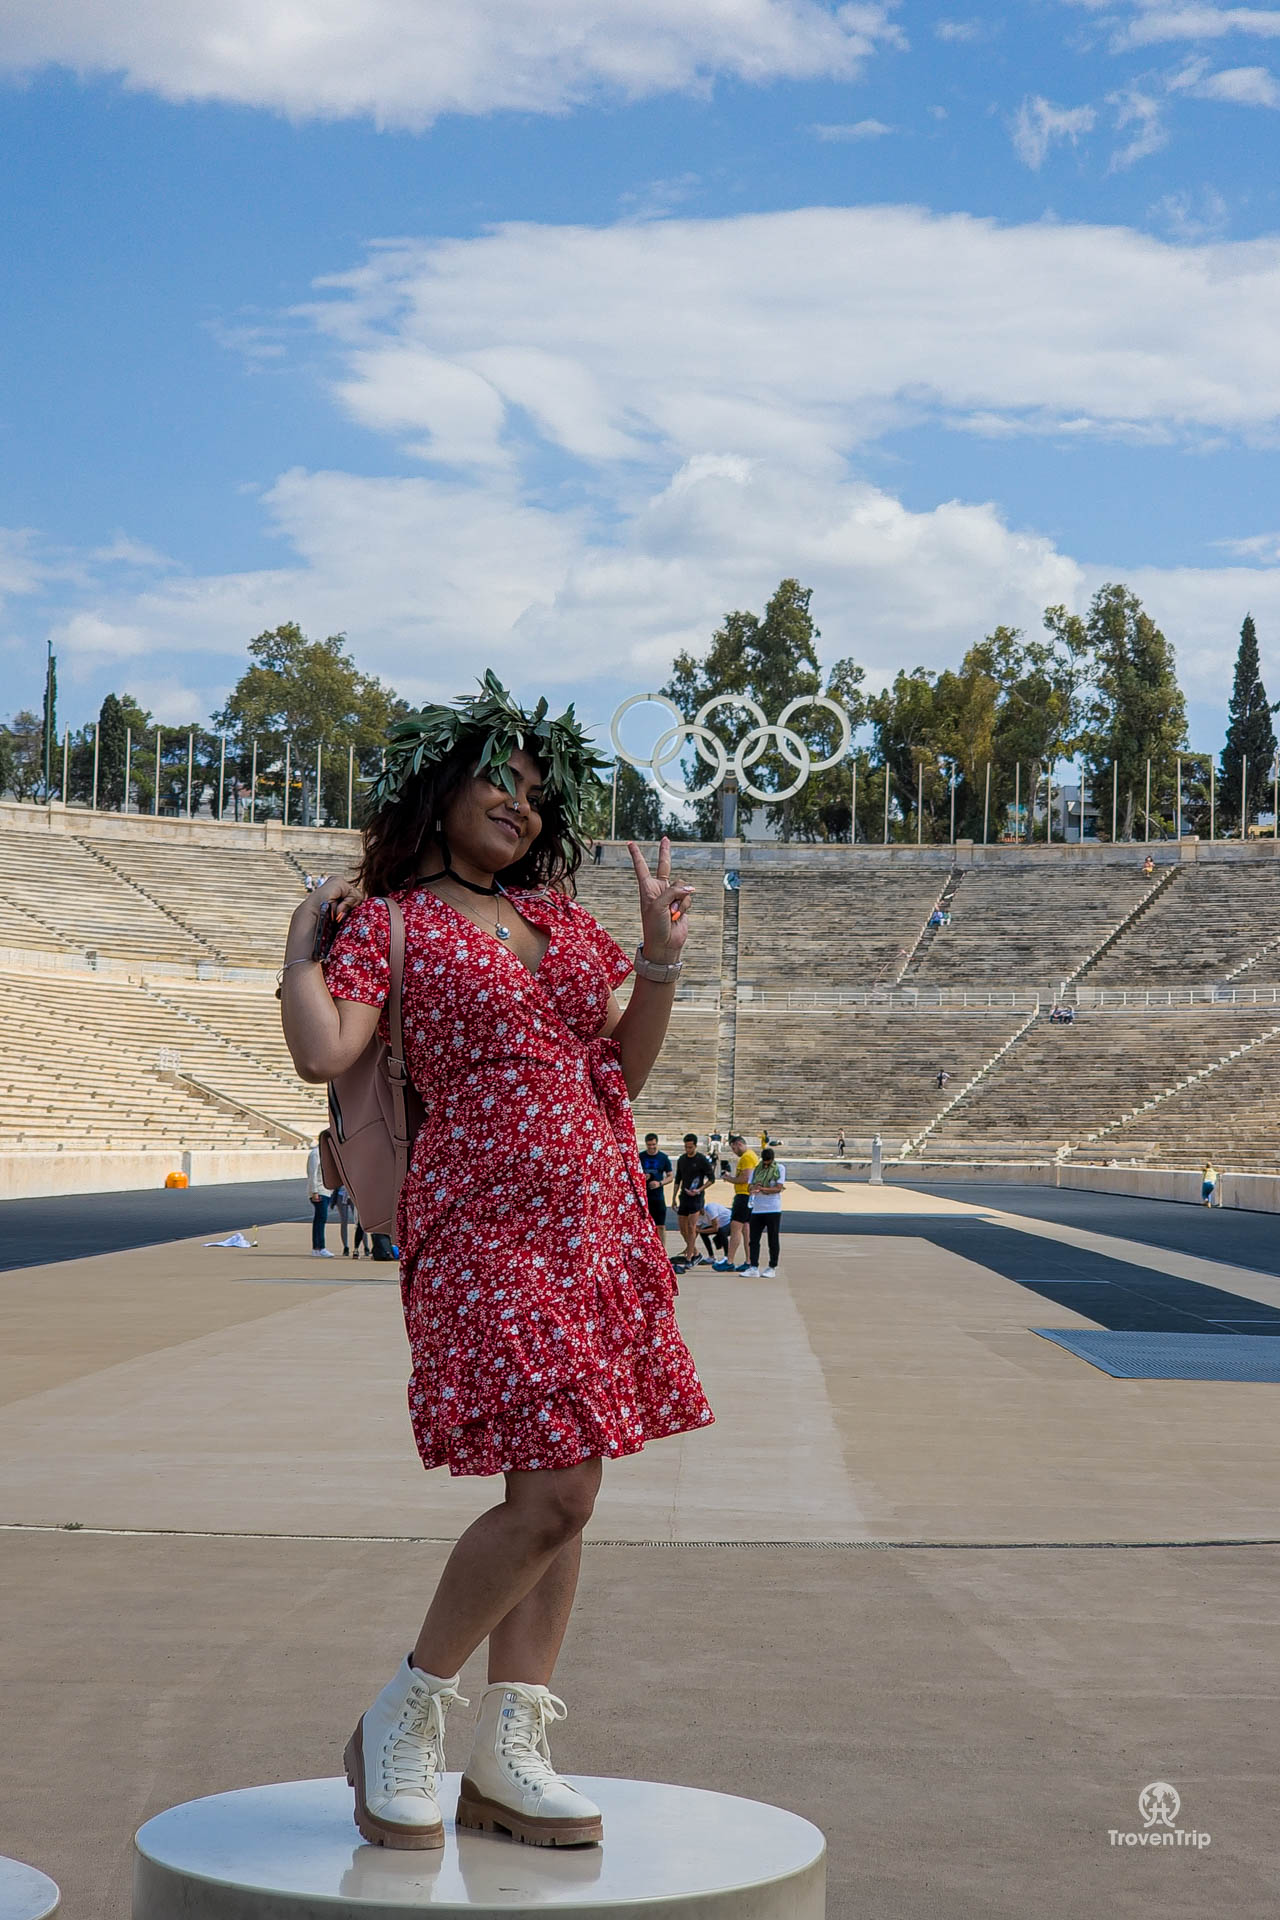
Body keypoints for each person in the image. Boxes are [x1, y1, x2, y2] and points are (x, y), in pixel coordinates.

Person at [281, 674, 713, 1854]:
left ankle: (510, 1753)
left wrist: (659, 959)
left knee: (564, 1495)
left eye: (535, 793)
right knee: (558, 1490)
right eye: (497, 780)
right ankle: (402, 1714)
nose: (519, 806)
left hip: (594, 1220)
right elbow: (326, 1048)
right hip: (481, 1227)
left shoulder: (562, 919)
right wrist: (298, 955)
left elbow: (618, 1066)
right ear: (440, 786)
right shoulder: (393, 921)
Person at [741, 1146, 786, 1277]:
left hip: (773, 1208)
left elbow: (778, 1188)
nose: (766, 1165)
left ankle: (772, 1266)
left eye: (768, 1163)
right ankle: (753, 1266)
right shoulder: (757, 1169)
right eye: (764, 1162)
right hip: (757, 1209)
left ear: (772, 1160)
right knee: (753, 1239)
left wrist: (763, 1189)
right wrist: (754, 1187)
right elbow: (749, 1187)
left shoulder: (779, 1169)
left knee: (773, 1238)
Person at [673, 1132, 716, 1267]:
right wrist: (673, 1197)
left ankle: (689, 1257)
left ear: (695, 1146)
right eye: (686, 1147)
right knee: (682, 1228)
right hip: (684, 1196)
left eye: (690, 1147)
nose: (688, 1150)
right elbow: (678, 1179)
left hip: (696, 1198)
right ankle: (696, 1252)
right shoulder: (682, 1159)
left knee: (692, 1227)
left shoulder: (701, 1159)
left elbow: (712, 1179)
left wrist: (700, 1190)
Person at [725, 1132, 759, 1270]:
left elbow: (745, 1178)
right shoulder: (750, 1156)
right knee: (746, 1229)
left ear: (739, 1144)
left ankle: (729, 1261)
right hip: (746, 1195)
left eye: (734, 1148)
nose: (734, 1152)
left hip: (744, 1195)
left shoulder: (747, 1157)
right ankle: (749, 1260)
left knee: (736, 1227)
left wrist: (729, 1178)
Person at [638, 1133, 673, 1241]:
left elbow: (670, 1176)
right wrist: (642, 1177)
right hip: (644, 1196)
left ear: (656, 1143)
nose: (651, 1147)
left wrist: (660, 1183)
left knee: (660, 1226)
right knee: (644, 1225)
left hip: (658, 1197)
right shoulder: (641, 1157)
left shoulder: (663, 1157)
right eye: (649, 1145)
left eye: (653, 1144)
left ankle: (663, 1251)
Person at [306, 1138, 334, 1258]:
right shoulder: (315, 1154)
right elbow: (312, 1174)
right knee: (321, 1219)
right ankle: (319, 1247)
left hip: (326, 1190)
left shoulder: (324, 1154)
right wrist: (314, 1191)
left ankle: (317, 1247)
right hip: (319, 1190)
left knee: (320, 1219)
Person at [697, 1198, 733, 1268]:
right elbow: (696, 1230)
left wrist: (699, 1231)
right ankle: (711, 1257)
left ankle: (727, 1257)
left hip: (730, 1222)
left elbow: (715, 1228)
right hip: (720, 1226)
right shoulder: (698, 1216)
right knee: (703, 1233)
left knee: (722, 1231)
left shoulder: (710, 1209)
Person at [330, 1182, 354, 1257]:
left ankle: (365, 1247)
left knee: (359, 1221)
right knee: (344, 1221)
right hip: (342, 1193)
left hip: (354, 1194)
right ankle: (345, 1247)